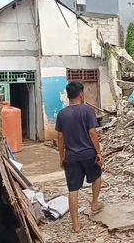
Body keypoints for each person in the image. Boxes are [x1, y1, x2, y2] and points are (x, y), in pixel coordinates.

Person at [56, 81, 104, 233]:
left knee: (73, 189)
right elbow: (92, 133)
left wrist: (62, 156)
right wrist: (99, 152)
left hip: (71, 156)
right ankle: (94, 203)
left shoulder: (62, 114)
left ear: (68, 95)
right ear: (81, 94)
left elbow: (60, 137)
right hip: (89, 153)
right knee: (97, 177)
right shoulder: (87, 111)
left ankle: (75, 225)